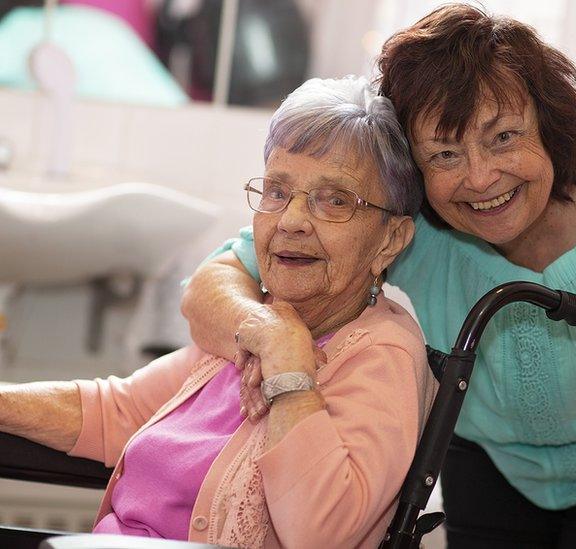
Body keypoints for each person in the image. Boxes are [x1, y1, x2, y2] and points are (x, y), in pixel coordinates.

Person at [182, 5, 576, 548]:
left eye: (504, 137)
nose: (481, 178)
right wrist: (272, 336)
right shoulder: (408, 215)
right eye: (444, 155)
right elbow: (214, 285)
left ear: (550, 121)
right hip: (493, 451)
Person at [0, 76, 435, 549]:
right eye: (276, 191)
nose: (291, 221)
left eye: (334, 201)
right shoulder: (257, 321)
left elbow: (320, 531)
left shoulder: (381, 355)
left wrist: (290, 371)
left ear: (390, 240)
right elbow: (117, 410)